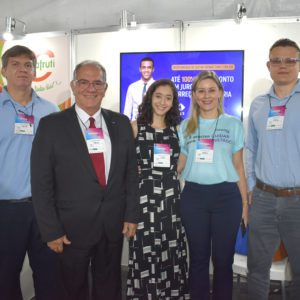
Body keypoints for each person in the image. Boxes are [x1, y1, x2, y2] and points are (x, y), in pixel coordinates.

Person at [31, 60, 139, 300]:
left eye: (97, 83)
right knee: (71, 288)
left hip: (111, 223)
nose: (91, 88)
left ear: (105, 87)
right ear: (73, 85)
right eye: (84, 82)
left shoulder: (120, 123)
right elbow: (41, 183)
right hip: (70, 228)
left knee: (109, 286)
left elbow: (131, 173)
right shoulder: (51, 125)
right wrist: (50, 230)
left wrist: (131, 214)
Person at [177, 71, 248, 300]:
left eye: (211, 90)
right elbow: (178, 165)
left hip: (227, 198)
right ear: (194, 96)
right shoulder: (185, 127)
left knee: (223, 259)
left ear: (220, 93)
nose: (206, 95)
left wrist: (245, 205)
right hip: (194, 197)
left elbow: (238, 167)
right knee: (197, 258)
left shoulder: (233, 124)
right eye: (201, 91)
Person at [0, 45, 61, 300]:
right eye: (15, 64)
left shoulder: (50, 110)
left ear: (35, 71)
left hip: (44, 209)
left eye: (28, 65)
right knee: (4, 278)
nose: (22, 70)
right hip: (5, 210)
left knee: (50, 276)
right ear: (4, 70)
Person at [246, 38, 300, 300]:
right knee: (256, 270)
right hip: (264, 199)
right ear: (268, 65)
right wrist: (251, 186)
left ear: (299, 65)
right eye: (277, 60)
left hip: (298, 200)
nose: (283, 65)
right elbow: (250, 150)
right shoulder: (258, 105)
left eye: (290, 60)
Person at [126, 79, 190, 299]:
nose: (163, 102)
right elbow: (126, 166)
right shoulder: (135, 127)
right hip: (143, 201)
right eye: (158, 96)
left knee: (171, 253)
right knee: (145, 253)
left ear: (173, 102)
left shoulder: (177, 130)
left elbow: (181, 163)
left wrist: (169, 176)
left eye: (168, 97)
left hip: (171, 202)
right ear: (150, 97)